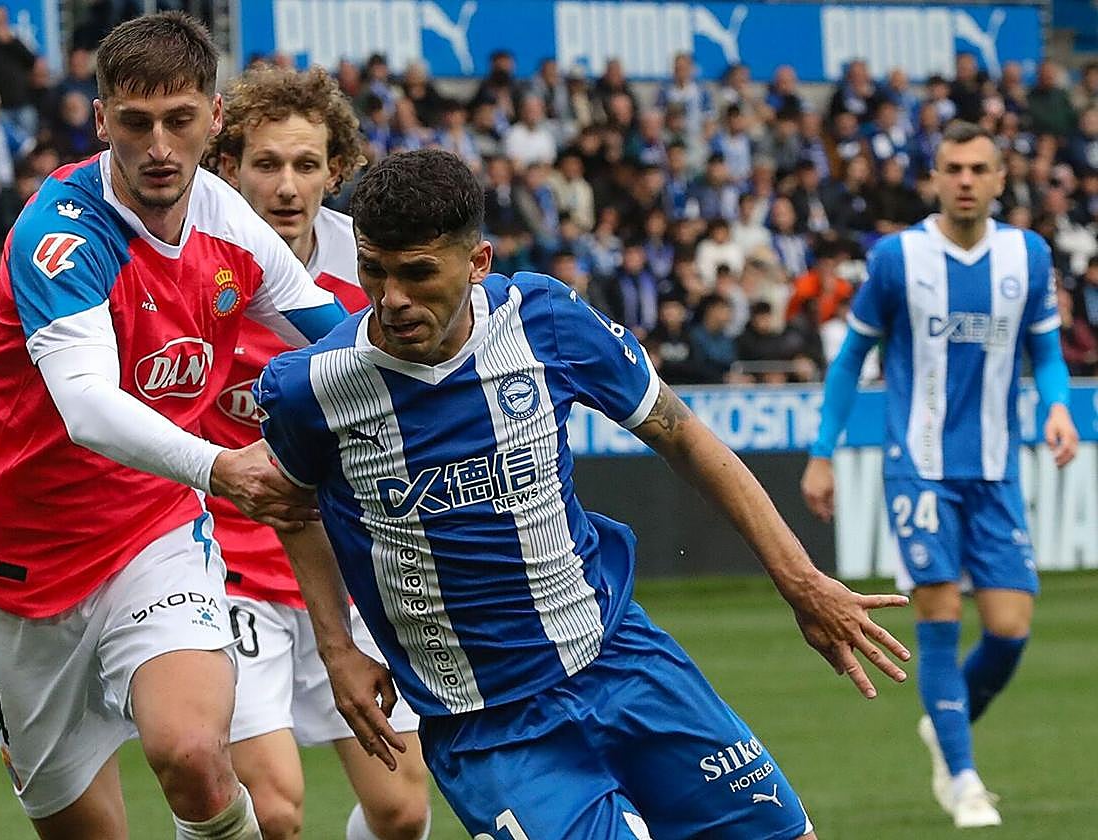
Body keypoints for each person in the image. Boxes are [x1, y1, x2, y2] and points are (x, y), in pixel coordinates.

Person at [254, 149, 912, 840]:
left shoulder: (543, 319)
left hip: (621, 660)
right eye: (374, 270)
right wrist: (337, 648)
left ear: (477, 262)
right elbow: (291, 508)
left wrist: (801, 581)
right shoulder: (310, 388)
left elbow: (684, 437)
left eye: (418, 273)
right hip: (488, 724)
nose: (392, 298)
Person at [0, 13, 347, 840]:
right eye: (136, 122)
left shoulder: (227, 220)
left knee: (195, 755)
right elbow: (88, 408)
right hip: (23, 561)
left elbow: (340, 337)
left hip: (153, 533)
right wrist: (221, 468)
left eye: (180, 119)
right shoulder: (62, 233)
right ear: (102, 121)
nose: (160, 146)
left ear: (214, 117)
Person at [801, 121, 1079, 829]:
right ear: (935, 178)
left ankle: (943, 725)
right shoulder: (898, 258)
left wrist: (1057, 407)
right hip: (918, 470)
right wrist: (824, 451)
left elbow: (1047, 352)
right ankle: (963, 779)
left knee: (1011, 629)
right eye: (952, 168)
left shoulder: (1027, 255)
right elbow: (851, 359)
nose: (965, 180)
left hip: (995, 471)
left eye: (978, 169)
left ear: (999, 178)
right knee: (940, 615)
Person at [202, 64, 431, 840]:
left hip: (346, 563)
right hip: (227, 566)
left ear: (337, 171)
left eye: (306, 164)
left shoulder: (370, 270)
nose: (286, 186)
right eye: (266, 163)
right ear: (228, 166)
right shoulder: (194, 259)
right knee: (274, 810)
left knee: (401, 813)